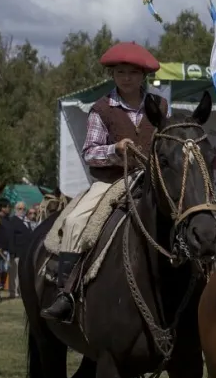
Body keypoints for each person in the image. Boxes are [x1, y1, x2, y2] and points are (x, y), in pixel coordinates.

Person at [41, 42, 169, 323]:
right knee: (75, 221)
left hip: (151, 180)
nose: (126, 78)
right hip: (111, 181)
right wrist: (115, 149)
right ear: (112, 75)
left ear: (143, 76)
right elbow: (90, 152)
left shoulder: (159, 106)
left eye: (133, 73)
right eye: (120, 72)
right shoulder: (101, 108)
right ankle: (66, 294)